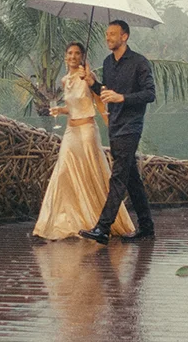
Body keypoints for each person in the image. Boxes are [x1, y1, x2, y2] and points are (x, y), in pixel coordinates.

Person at [32, 42, 135, 240]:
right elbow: (73, 107)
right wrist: (61, 110)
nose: (73, 56)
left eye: (77, 53)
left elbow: (99, 103)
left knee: (91, 172)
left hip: (87, 130)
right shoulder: (65, 80)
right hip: (70, 131)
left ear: (82, 57)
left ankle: (97, 220)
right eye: (70, 53)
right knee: (63, 171)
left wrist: (112, 126)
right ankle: (60, 221)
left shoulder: (88, 77)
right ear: (65, 56)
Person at [80, 19, 155, 243]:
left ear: (125, 36)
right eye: (107, 34)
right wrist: (92, 82)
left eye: (112, 34)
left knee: (118, 177)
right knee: (132, 180)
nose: (108, 37)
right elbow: (106, 92)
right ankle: (147, 227)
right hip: (114, 125)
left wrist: (122, 97)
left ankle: (102, 228)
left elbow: (149, 94)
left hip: (131, 127)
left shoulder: (139, 62)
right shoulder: (108, 63)